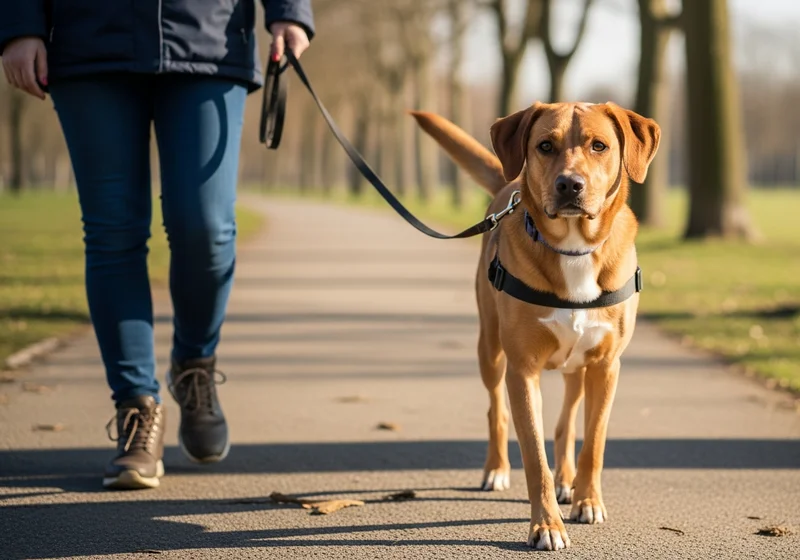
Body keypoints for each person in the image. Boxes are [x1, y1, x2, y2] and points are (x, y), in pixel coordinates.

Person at [0, 0, 314, 490]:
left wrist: (290, 10)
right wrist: (19, 24)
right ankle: (137, 407)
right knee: (112, 232)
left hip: (209, 37)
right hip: (90, 37)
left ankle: (194, 366)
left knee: (206, 227)